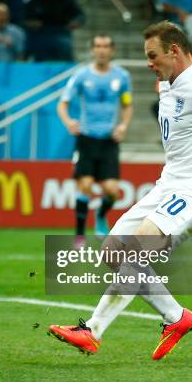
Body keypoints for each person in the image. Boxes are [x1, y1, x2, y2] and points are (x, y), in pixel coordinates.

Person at [48, 21, 192, 360]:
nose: (149, 63)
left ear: (174, 51)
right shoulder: (168, 84)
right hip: (168, 185)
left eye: (153, 56)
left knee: (137, 248)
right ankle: (177, 317)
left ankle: (92, 329)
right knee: (113, 251)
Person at [57, 34, 133, 240]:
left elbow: (127, 104)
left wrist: (123, 125)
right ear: (92, 50)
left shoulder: (122, 77)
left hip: (109, 141)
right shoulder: (81, 76)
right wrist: (69, 122)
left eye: (106, 46)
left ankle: (101, 216)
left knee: (112, 190)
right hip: (87, 139)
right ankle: (80, 235)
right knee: (85, 186)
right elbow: (62, 103)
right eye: (98, 46)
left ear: (112, 50)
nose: (101, 50)